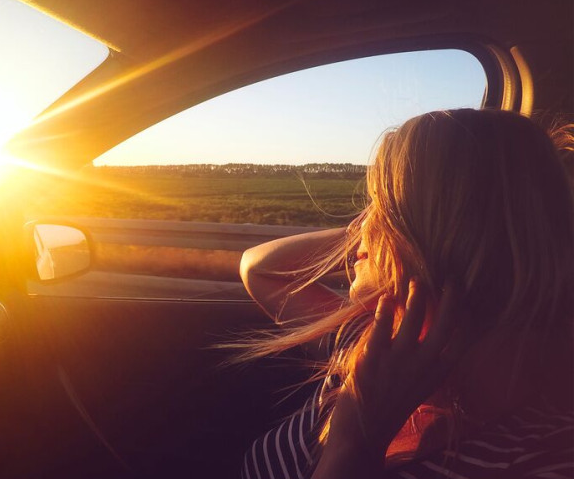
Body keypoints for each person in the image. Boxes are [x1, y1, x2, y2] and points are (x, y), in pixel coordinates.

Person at [239, 109, 574, 479]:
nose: (356, 224)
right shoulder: (373, 342)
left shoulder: (543, 458)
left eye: (381, 205)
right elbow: (258, 269)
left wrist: (358, 441)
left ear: (445, 229)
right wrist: (375, 237)